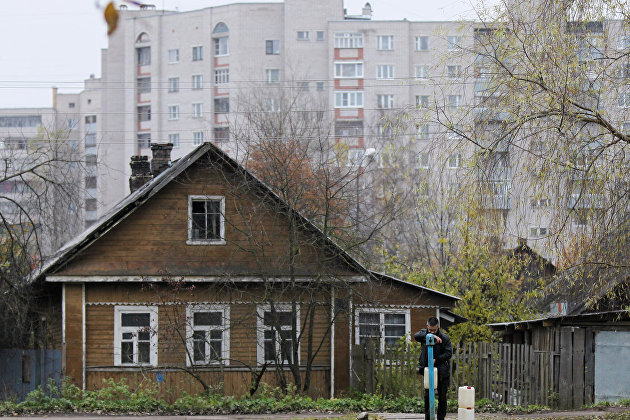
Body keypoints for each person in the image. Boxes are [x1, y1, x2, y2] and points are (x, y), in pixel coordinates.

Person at [414, 317, 452, 420]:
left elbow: (449, 353)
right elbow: (416, 336)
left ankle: (440, 418)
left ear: (438, 327)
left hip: (441, 371)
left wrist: (437, 359)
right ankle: (428, 417)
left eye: (434, 330)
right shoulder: (423, 334)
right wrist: (432, 335)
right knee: (427, 396)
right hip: (427, 370)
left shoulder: (445, 338)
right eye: (430, 330)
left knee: (442, 396)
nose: (431, 332)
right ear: (427, 327)